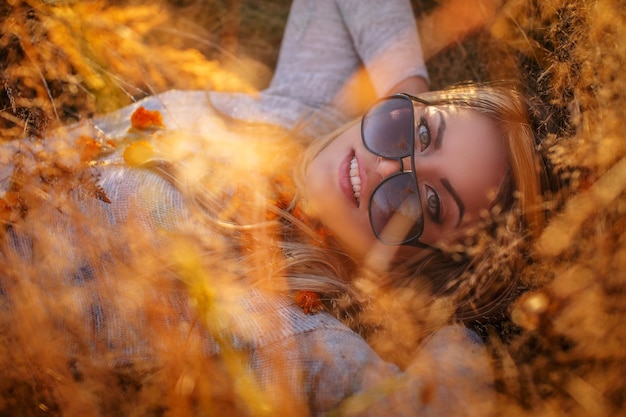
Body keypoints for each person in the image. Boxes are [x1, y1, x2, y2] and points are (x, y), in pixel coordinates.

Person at [0, 0, 544, 415]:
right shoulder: (304, 115)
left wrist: (453, 325)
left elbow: (426, 405)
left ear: (419, 266)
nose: (384, 165)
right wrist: (403, 85)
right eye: (418, 130)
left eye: (424, 201)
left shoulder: (292, 329)